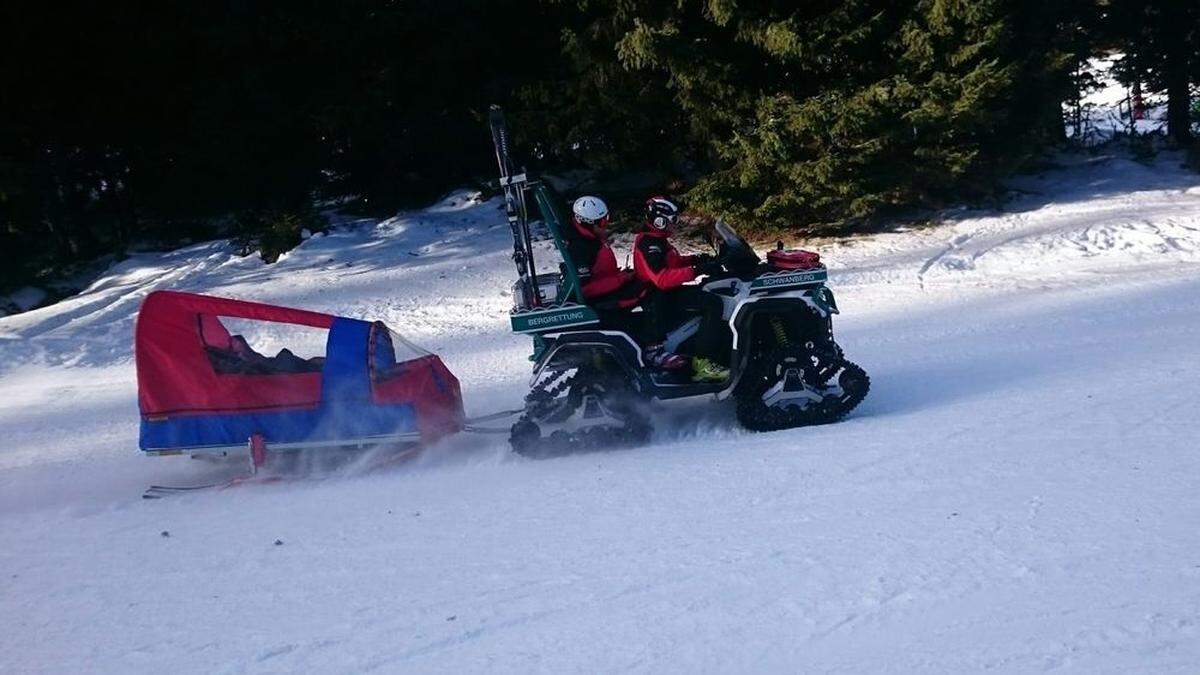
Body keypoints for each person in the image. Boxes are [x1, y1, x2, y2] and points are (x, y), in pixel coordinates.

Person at [633, 196, 729, 382]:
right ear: (659, 220)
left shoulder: (657, 240)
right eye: (673, 220)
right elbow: (662, 278)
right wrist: (697, 270)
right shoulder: (649, 244)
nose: (674, 225)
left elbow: (672, 262)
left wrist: (698, 260)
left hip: (664, 293)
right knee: (713, 303)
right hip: (658, 295)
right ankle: (703, 363)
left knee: (710, 292)